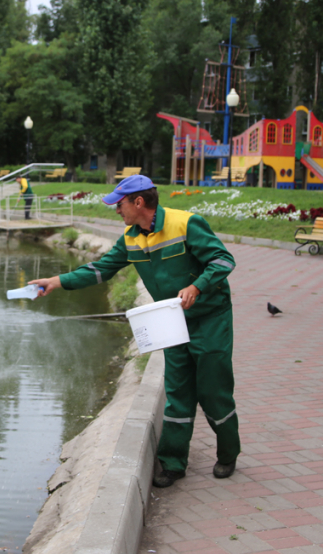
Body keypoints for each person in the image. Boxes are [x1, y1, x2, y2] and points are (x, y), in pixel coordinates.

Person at [28, 175, 239, 488]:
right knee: (177, 391)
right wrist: (55, 282)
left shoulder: (187, 224)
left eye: (119, 203)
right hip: (172, 321)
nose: (116, 210)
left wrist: (197, 286)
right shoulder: (130, 238)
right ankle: (172, 463)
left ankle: (228, 453)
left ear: (138, 202)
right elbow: (100, 269)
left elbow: (223, 259)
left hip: (210, 319)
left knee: (212, 390)